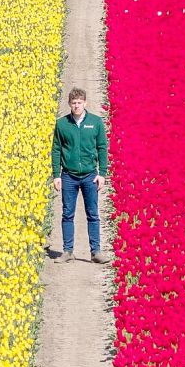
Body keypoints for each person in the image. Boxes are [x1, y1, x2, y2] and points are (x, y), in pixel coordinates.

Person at [51, 87, 110, 264]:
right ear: (69, 104)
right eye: (73, 103)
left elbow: (102, 148)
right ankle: (68, 251)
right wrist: (56, 175)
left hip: (90, 175)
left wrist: (102, 173)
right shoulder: (62, 124)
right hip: (69, 175)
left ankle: (96, 252)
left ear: (85, 103)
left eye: (79, 102)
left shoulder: (96, 122)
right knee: (67, 213)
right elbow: (56, 149)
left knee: (92, 213)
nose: (76, 106)